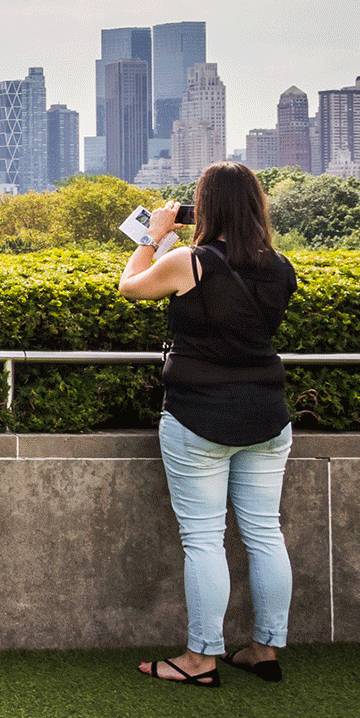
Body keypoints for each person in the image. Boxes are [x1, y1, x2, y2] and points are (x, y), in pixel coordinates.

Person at [118, 161, 298, 687]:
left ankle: (200, 659)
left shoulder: (188, 261)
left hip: (199, 415)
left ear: (205, 207)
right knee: (265, 533)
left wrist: (152, 237)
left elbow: (130, 287)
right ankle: (265, 649)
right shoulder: (281, 267)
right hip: (267, 414)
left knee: (203, 538)